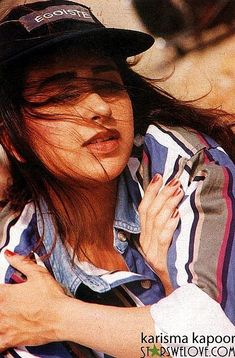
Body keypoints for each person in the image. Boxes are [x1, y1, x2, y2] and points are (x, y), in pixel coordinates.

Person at [0, 0, 234, 357]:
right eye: (63, 94)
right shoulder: (15, 266)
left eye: (108, 84)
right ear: (13, 141)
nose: (99, 107)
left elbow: (216, 340)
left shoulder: (178, 164)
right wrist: (172, 298)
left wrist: (57, 316)